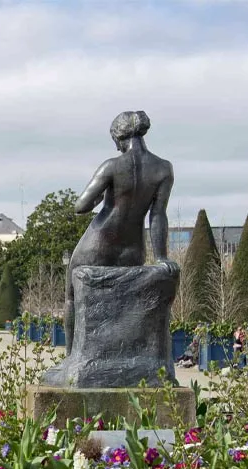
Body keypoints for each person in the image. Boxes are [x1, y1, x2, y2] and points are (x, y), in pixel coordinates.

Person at [63, 111, 176, 351]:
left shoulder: (112, 166)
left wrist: (103, 196)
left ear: (118, 137)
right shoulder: (163, 169)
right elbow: (158, 215)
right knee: (124, 305)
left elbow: (81, 206)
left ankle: (72, 357)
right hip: (133, 248)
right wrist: (161, 257)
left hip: (98, 243)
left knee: (72, 297)